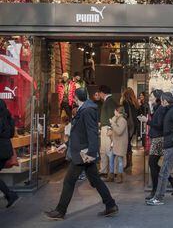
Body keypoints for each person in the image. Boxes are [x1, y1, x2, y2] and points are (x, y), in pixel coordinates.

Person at [44, 88, 118, 220]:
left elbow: (92, 132)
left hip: (83, 155)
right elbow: (78, 133)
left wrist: (91, 153)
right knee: (95, 180)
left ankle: (60, 211)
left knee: (68, 181)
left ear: (76, 98)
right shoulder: (85, 109)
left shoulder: (87, 110)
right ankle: (110, 205)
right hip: (83, 153)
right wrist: (66, 145)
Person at [144, 89, 173, 201]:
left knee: (152, 163)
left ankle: (156, 190)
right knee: (154, 164)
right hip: (157, 138)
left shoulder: (161, 108)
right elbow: (156, 119)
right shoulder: (158, 107)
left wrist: (146, 121)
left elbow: (158, 124)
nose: (150, 97)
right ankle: (170, 180)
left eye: (151, 96)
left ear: (158, 98)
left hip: (159, 138)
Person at [0, 99, 20, 208]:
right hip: (7, 149)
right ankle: (10, 195)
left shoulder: (0, 119)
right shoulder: (9, 118)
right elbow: (12, 134)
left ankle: (10, 194)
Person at [105, 106, 128, 184]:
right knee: (111, 158)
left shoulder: (123, 120)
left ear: (117, 111)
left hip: (120, 143)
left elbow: (119, 131)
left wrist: (113, 124)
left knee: (120, 160)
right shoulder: (116, 118)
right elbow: (113, 128)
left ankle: (119, 176)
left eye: (115, 111)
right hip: (115, 143)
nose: (114, 112)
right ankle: (111, 175)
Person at [98, 85, 117, 177]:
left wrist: (110, 128)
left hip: (107, 129)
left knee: (108, 150)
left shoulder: (109, 101)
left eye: (99, 93)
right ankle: (104, 170)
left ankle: (110, 171)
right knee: (104, 150)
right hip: (105, 128)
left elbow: (112, 116)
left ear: (102, 93)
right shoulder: (109, 101)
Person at [120, 87, 140, 170]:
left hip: (128, 124)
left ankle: (128, 163)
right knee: (129, 142)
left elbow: (126, 114)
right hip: (134, 124)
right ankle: (129, 162)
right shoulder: (135, 103)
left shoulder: (125, 102)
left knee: (126, 143)